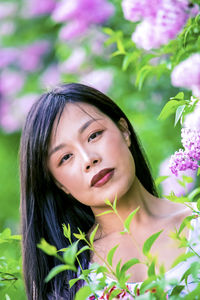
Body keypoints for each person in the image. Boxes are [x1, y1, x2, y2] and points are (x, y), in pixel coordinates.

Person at [20, 83, 197, 300]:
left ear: (124, 131)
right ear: (59, 184)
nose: (89, 159)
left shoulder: (195, 222)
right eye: (65, 157)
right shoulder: (67, 283)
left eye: (93, 135)